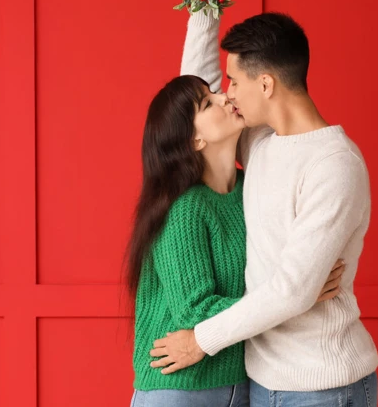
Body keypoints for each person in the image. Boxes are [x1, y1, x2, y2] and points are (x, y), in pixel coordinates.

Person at [148, 0, 378, 407]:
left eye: (235, 83)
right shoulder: (262, 144)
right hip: (263, 382)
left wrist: (200, 340)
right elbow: (200, 102)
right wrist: (203, 6)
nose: (227, 95)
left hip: (321, 385)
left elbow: (294, 291)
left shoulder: (334, 166)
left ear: (266, 84)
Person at [124, 74, 344, 406]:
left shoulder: (249, 186)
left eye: (217, 92)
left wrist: (294, 291)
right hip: (178, 387)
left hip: (240, 385)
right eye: (207, 103)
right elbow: (195, 312)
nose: (225, 98)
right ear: (195, 139)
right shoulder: (185, 208)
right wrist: (299, 296)